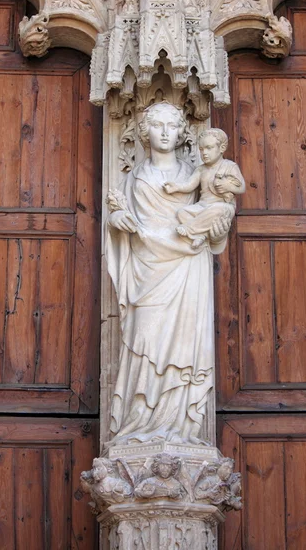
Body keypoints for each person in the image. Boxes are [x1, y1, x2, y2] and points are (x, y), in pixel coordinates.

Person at [106, 102, 231, 447]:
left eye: (171, 126)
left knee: (186, 346)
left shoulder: (195, 176)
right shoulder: (135, 178)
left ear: (181, 133)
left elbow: (213, 223)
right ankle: (141, 423)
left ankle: (181, 428)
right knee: (146, 339)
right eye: (157, 125)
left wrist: (217, 229)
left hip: (188, 268)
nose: (164, 133)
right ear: (145, 132)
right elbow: (121, 224)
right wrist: (118, 222)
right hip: (148, 269)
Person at [163, 128, 245, 248]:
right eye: (201, 149)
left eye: (209, 148)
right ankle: (201, 235)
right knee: (182, 212)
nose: (204, 153)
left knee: (218, 210)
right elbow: (190, 185)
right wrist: (176, 187)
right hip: (202, 206)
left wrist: (228, 186)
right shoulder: (201, 169)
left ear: (221, 148)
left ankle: (190, 229)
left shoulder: (230, 166)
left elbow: (242, 188)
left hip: (221, 206)